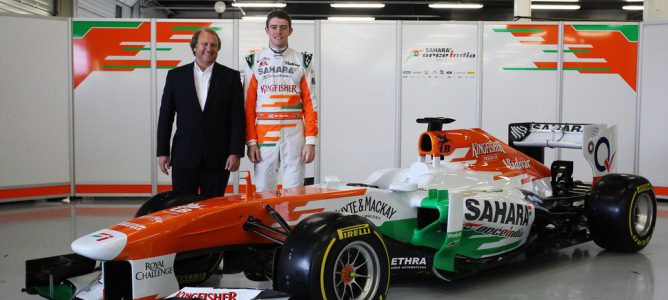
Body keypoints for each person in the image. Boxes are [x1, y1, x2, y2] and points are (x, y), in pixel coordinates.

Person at [157, 27, 245, 198]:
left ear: (218, 49)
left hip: (218, 158)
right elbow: (165, 117)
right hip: (184, 155)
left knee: (212, 211)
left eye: (214, 45)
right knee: (182, 208)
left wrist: (235, 152)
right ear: (194, 47)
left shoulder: (231, 77)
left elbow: (237, 118)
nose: (209, 48)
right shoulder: (176, 76)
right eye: (204, 44)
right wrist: (163, 151)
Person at [244, 10, 318, 192]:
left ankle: (290, 221)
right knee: (263, 190)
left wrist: (311, 141)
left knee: (294, 190)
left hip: (295, 135)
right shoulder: (253, 61)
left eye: (283, 28)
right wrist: (251, 142)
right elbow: (248, 105)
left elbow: (310, 104)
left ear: (290, 31)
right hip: (264, 136)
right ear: (267, 30)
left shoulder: (302, 61)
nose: (279, 32)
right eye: (274, 27)